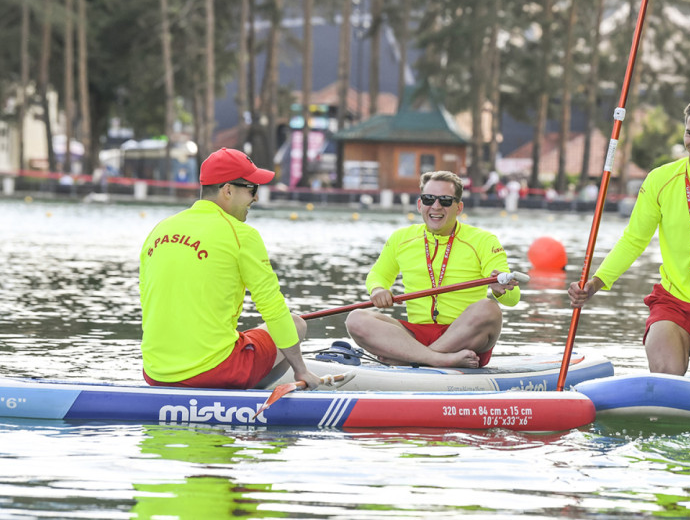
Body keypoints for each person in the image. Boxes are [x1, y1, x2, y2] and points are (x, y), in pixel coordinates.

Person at [568, 96, 690, 383]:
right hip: (674, 301)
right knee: (666, 371)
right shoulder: (659, 180)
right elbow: (633, 240)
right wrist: (596, 283)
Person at [139, 147, 322, 391]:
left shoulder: (158, 230)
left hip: (155, 372)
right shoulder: (242, 235)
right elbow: (272, 306)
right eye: (252, 189)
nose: (255, 198)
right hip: (216, 372)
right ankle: (253, 398)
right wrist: (301, 369)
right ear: (228, 190)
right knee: (296, 324)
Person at [346, 170, 521, 368]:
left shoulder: (483, 240)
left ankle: (411, 359)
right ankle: (436, 360)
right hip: (415, 336)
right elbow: (378, 275)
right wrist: (378, 289)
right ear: (420, 204)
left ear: (458, 207)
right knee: (356, 319)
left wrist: (501, 291)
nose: (436, 206)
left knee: (489, 308)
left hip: (464, 335)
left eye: (445, 200)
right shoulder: (401, 238)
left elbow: (513, 299)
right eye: (429, 199)